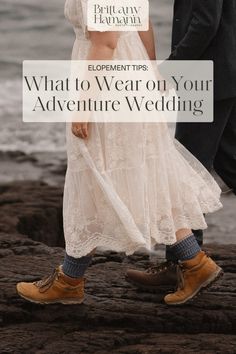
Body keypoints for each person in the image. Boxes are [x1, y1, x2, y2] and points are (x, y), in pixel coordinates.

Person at [16, 0, 223, 306]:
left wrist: (84, 105)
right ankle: (195, 264)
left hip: (108, 84)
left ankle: (70, 280)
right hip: (129, 75)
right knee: (142, 173)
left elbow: (106, 42)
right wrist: (149, 71)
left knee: (94, 175)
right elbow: (143, 22)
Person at [126, 0, 236, 292]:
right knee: (228, 165)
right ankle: (180, 263)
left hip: (206, 78)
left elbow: (205, 23)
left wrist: (170, 69)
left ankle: (182, 266)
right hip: (223, 71)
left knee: (186, 170)